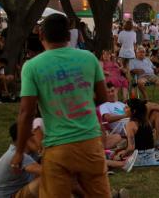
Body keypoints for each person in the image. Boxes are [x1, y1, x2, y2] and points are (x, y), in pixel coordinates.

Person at [13, 13, 111, 197]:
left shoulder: (32, 66)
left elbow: (26, 113)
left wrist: (19, 152)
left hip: (58, 148)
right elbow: (103, 97)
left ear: (41, 36)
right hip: (90, 142)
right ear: (68, 36)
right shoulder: (89, 58)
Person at [0, 123, 40, 198]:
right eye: (33, 134)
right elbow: (46, 171)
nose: (38, 138)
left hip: (17, 192)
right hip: (11, 196)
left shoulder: (29, 153)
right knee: (46, 178)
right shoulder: (15, 155)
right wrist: (43, 151)